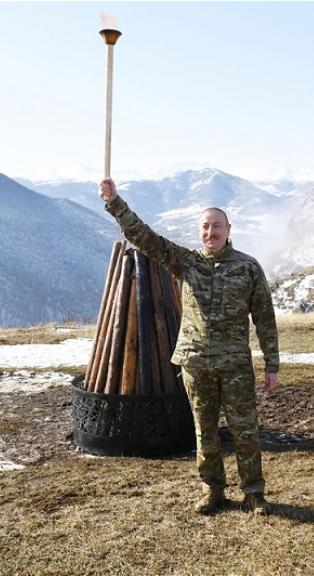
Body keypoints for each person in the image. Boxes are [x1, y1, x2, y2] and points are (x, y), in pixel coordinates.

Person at [98, 178, 280, 516]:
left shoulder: (248, 267)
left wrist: (272, 365)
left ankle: (254, 493)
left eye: (217, 226)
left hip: (235, 366)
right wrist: (115, 204)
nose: (211, 232)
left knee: (245, 430)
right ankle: (212, 491)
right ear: (200, 232)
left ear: (228, 229)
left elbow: (265, 319)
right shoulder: (186, 263)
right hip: (195, 363)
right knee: (205, 431)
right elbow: (144, 237)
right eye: (206, 227)